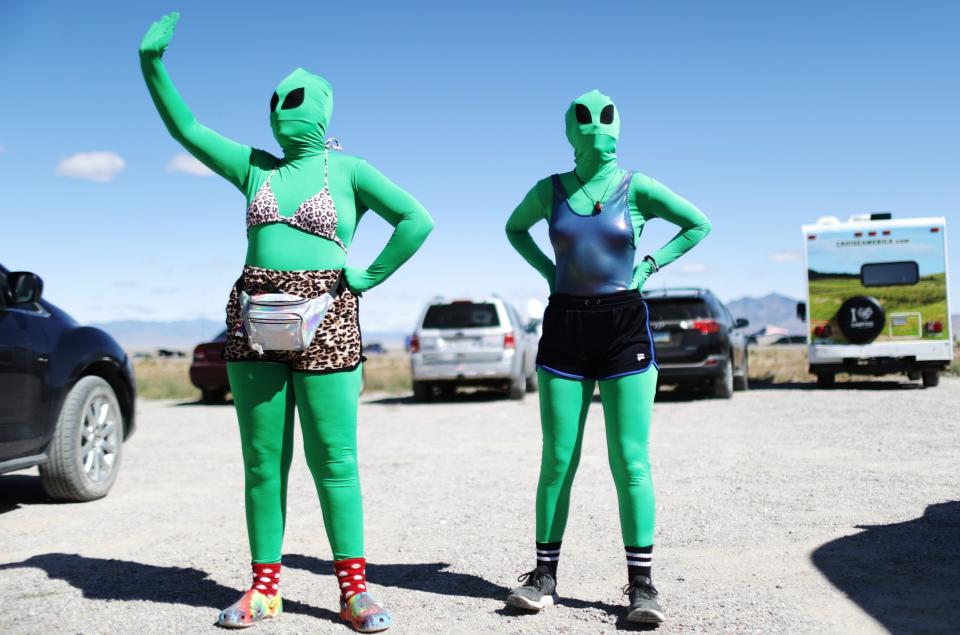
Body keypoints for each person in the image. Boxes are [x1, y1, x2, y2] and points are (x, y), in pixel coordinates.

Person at [139, 13, 433, 632]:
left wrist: (365, 276)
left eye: (293, 101)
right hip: (252, 321)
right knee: (262, 460)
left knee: (335, 459)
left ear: (322, 108)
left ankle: (353, 590)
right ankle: (264, 588)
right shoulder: (255, 168)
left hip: (329, 318)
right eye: (274, 102)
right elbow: (187, 129)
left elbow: (415, 220)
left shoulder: (349, 171)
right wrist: (153, 65)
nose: (280, 110)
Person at [504, 90, 710, 623]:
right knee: (557, 459)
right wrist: (549, 273)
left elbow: (697, 224)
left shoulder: (635, 186)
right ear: (569, 130)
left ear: (618, 126)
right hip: (564, 327)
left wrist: (651, 266)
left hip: (623, 327)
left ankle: (642, 586)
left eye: (605, 119)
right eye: (584, 120)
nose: (596, 128)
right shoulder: (549, 190)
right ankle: (544, 576)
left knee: (631, 461)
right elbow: (513, 229)